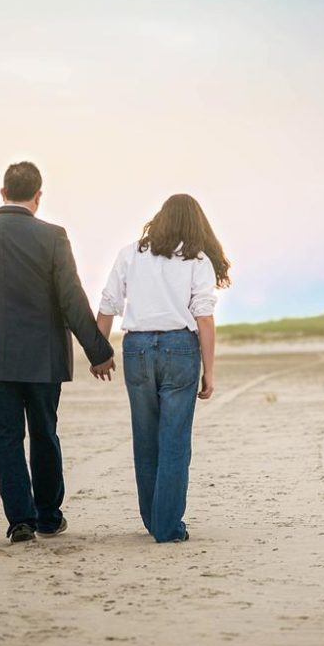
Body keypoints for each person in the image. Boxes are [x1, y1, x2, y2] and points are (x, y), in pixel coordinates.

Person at [0, 161, 115, 544]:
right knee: (44, 434)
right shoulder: (53, 236)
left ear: (2, 192)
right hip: (43, 358)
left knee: (5, 439)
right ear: (38, 196)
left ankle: (19, 521)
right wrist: (98, 351)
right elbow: (71, 298)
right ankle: (49, 517)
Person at [95, 193, 230, 543]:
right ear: (196, 223)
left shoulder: (130, 254)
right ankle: (167, 527)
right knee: (175, 441)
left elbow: (108, 304)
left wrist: (100, 351)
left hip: (137, 349)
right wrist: (209, 372)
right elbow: (204, 316)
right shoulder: (197, 260)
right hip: (179, 349)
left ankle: (153, 521)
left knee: (145, 438)